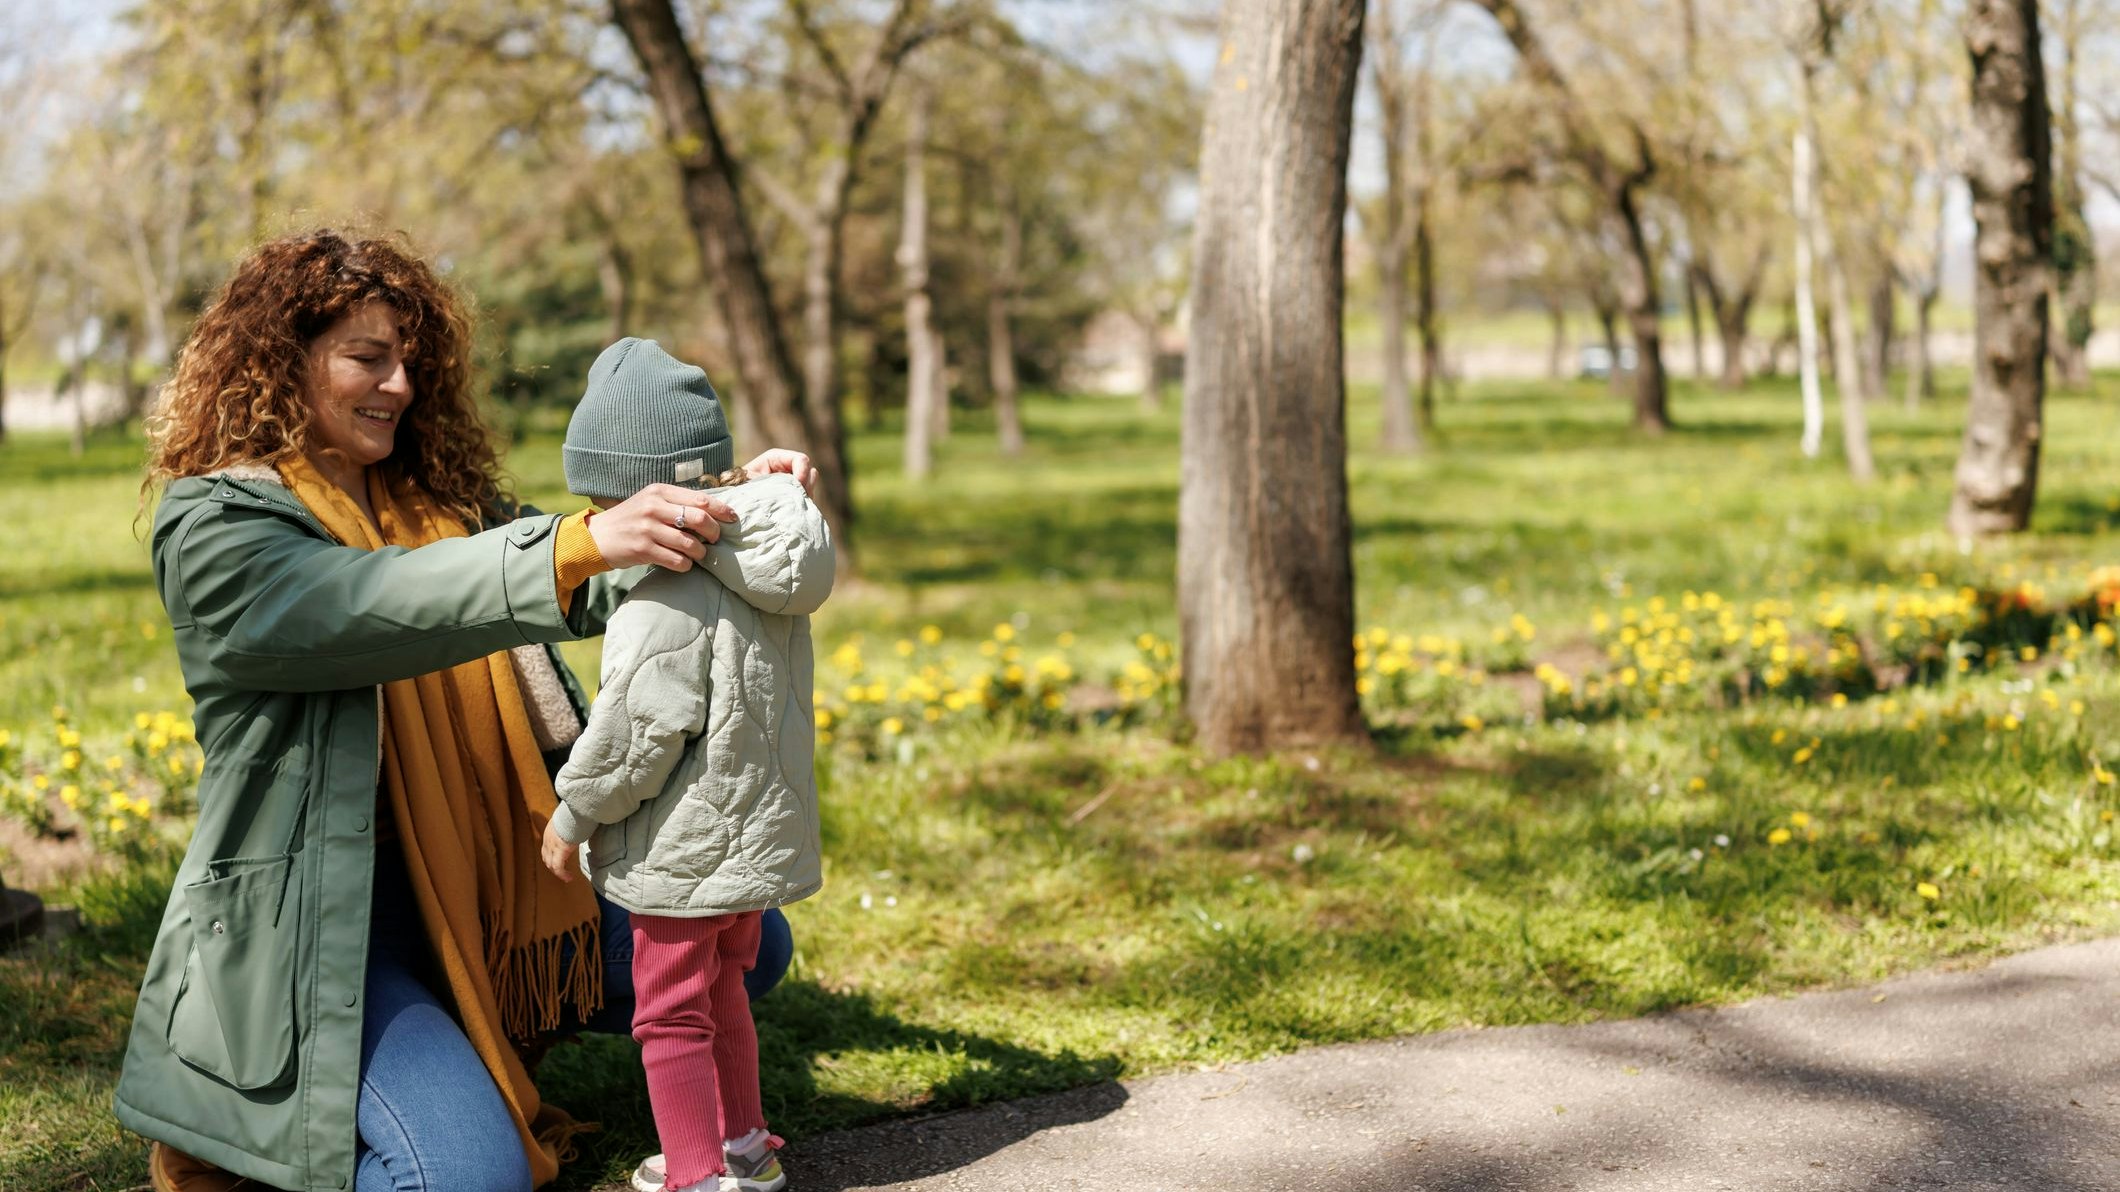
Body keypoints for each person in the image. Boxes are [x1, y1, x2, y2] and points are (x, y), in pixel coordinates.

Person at [117, 229, 809, 1192]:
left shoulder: (438, 500)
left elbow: (610, 577)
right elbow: (367, 605)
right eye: (367, 357)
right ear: (283, 361)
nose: (399, 385)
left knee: (745, 933)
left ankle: (479, 1013)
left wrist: (735, 504)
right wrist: (573, 546)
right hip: (327, 935)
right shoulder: (217, 523)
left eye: (411, 362)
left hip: (492, 882)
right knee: (469, 1177)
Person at [538, 337, 833, 1192]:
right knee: (727, 992)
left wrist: (570, 819)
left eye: (600, 499)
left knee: (669, 1013)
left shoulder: (660, 601)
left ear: (638, 491)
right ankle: (745, 1146)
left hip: (678, 850)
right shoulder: (764, 567)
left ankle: (695, 1174)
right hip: (752, 840)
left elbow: (634, 739)